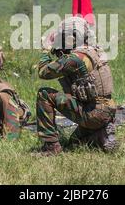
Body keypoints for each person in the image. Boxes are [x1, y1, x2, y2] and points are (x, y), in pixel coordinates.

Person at [35, 17, 117, 156]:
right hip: (108, 110)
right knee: (73, 143)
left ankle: (51, 147)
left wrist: (45, 50)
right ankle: (100, 134)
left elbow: (43, 72)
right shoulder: (94, 51)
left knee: (44, 94)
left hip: (93, 113)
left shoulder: (75, 58)